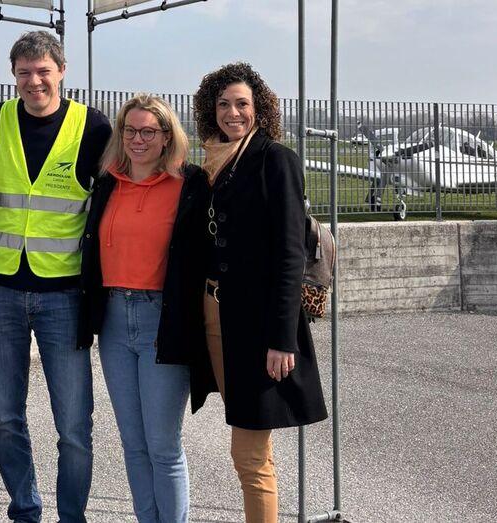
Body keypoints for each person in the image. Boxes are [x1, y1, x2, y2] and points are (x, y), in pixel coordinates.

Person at [0, 30, 112, 523]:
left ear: (62, 71)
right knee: (6, 418)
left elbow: (114, 198)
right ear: (13, 75)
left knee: (74, 427)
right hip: (0, 289)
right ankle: (25, 509)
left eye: (43, 71)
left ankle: (71, 517)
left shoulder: (93, 126)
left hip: (64, 295)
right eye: (24, 72)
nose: (34, 81)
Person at [191, 62, 328, 523]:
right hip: (215, 315)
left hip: (257, 325)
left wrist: (282, 338)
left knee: (248, 453)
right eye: (223, 104)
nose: (232, 113)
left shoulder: (275, 160)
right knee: (254, 448)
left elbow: (291, 254)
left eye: (242, 104)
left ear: (259, 109)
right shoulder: (213, 162)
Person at [77, 94, 211, 523]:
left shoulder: (190, 184)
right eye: (130, 130)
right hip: (114, 322)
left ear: (167, 136)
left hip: (163, 321)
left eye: (148, 131)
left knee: (162, 446)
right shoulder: (108, 183)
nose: (138, 139)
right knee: (133, 444)